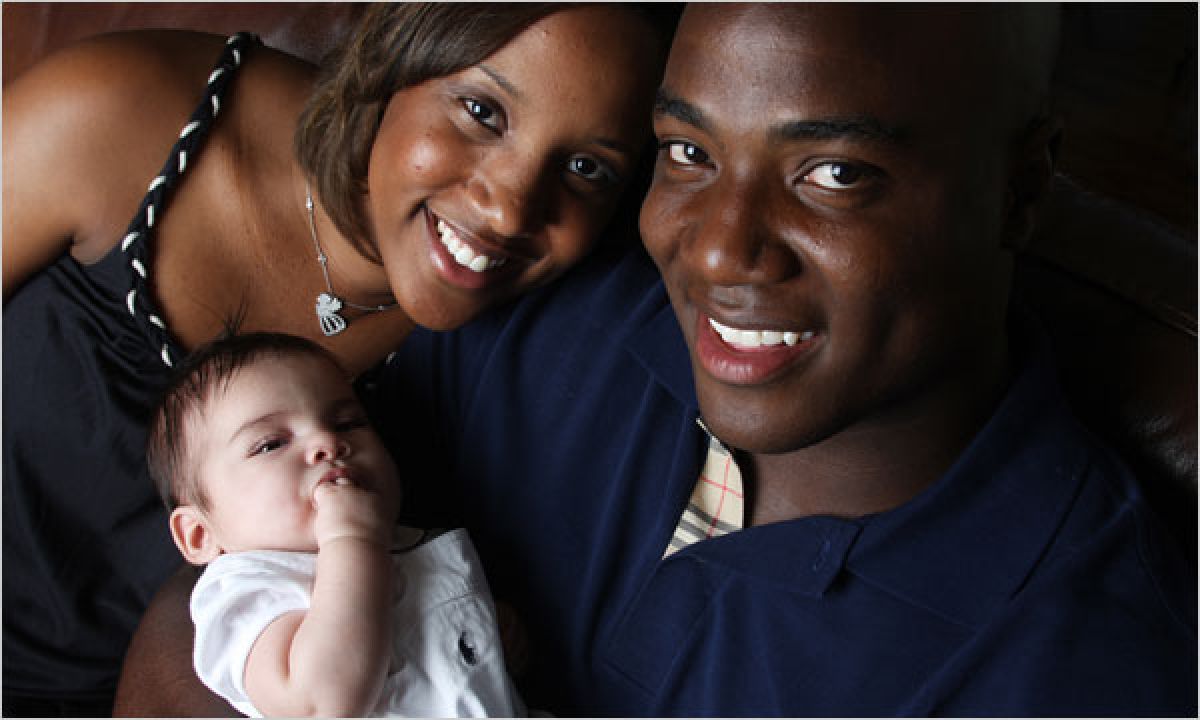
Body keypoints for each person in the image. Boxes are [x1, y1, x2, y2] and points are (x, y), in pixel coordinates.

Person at [120, 3, 1197, 717]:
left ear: (1020, 188)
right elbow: (229, 590)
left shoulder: (1074, 662)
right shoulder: (551, 323)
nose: (718, 249)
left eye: (833, 172)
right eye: (689, 153)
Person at [1, 3, 673, 714]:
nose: (509, 210)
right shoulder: (122, 114)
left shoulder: (539, 335)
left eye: (585, 167)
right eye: (482, 111)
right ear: (396, 57)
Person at [146, 332, 520, 717]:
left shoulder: (406, 544)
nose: (327, 441)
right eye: (271, 444)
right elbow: (322, 702)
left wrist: (482, 640)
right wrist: (352, 538)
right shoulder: (247, 592)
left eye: (347, 423)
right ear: (200, 535)